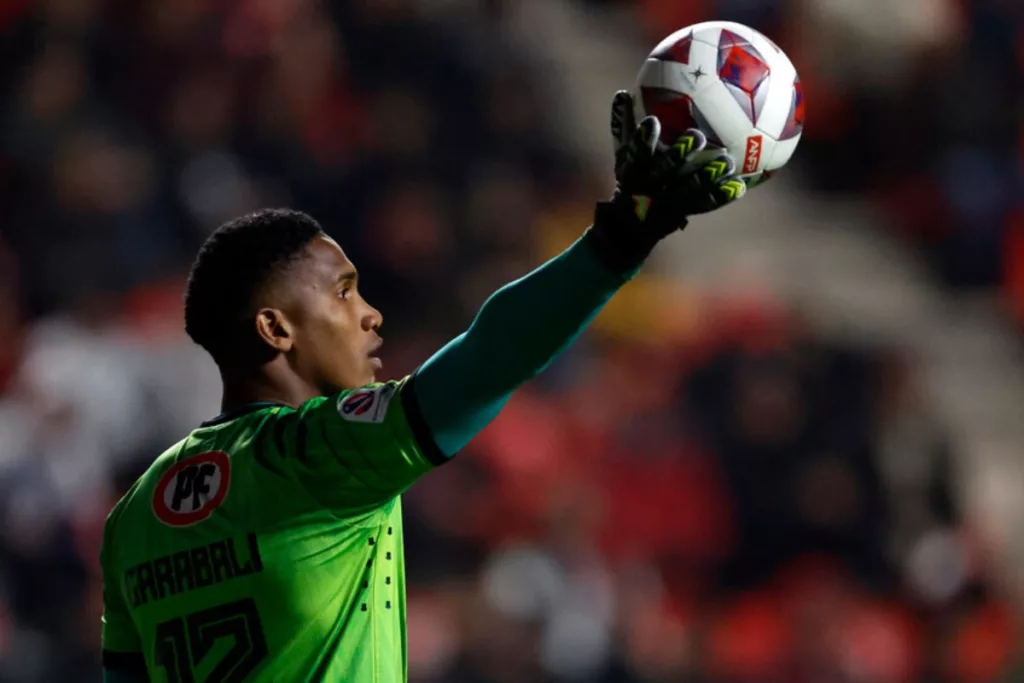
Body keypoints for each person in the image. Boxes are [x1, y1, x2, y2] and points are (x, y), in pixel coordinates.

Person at [100, 92, 748, 683]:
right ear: (276, 328)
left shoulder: (133, 515)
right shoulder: (317, 455)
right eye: (343, 292)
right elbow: (488, 359)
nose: (371, 314)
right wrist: (624, 234)